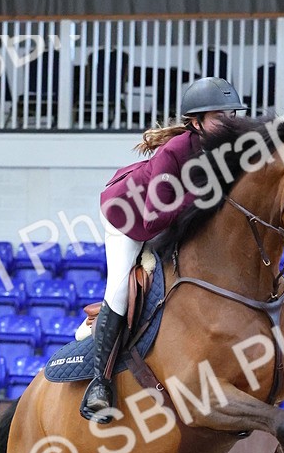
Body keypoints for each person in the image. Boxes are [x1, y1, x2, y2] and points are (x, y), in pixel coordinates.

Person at [79, 76, 244, 423]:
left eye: (231, 114)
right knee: (121, 288)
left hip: (170, 216)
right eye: (219, 116)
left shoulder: (231, 145)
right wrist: (200, 196)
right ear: (196, 122)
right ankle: (100, 385)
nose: (228, 122)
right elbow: (154, 221)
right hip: (129, 214)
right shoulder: (175, 152)